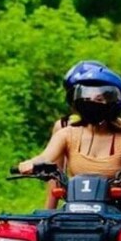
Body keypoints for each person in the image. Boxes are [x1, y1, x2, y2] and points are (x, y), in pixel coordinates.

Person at [19, 67, 121, 204]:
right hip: (75, 209)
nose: (92, 103)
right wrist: (31, 163)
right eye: (87, 98)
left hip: (116, 213)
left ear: (114, 103)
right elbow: (45, 157)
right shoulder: (66, 134)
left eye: (99, 99)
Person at [44, 60, 106, 208]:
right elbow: (55, 173)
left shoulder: (118, 126)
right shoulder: (63, 127)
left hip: (112, 199)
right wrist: (48, 213)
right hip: (78, 199)